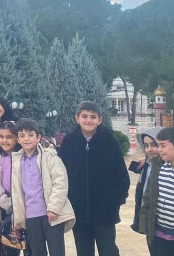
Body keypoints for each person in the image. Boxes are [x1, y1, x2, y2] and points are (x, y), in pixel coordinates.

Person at [58, 101, 128, 256]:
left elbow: (121, 175)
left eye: (93, 117)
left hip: (105, 211)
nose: (88, 120)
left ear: (99, 120)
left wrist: (117, 201)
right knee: (83, 251)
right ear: (77, 118)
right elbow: (61, 174)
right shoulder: (69, 141)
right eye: (84, 116)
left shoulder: (109, 140)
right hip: (79, 210)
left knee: (108, 250)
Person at [12, 119, 75, 256]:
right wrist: (18, 219)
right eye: (22, 136)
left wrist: (54, 208)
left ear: (38, 137)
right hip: (30, 216)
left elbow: (60, 181)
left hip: (50, 214)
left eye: (30, 135)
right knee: (37, 252)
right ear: (18, 139)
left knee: (57, 252)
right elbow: (17, 192)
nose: (26, 139)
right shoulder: (16, 161)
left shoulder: (49, 156)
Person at [136, 127, 174, 256]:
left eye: (162, 146)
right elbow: (148, 199)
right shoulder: (160, 169)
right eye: (159, 146)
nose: (159, 150)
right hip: (159, 234)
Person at [0, 120, 21, 253]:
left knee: (29, 242)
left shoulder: (23, 155)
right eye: (1, 137)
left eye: (9, 137)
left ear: (17, 138)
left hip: (23, 204)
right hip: (5, 204)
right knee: (11, 244)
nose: (4, 140)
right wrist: (4, 200)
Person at [130, 127, 162, 236]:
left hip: (161, 221)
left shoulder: (167, 168)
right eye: (146, 145)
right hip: (147, 216)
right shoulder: (147, 165)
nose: (149, 149)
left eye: (154, 145)